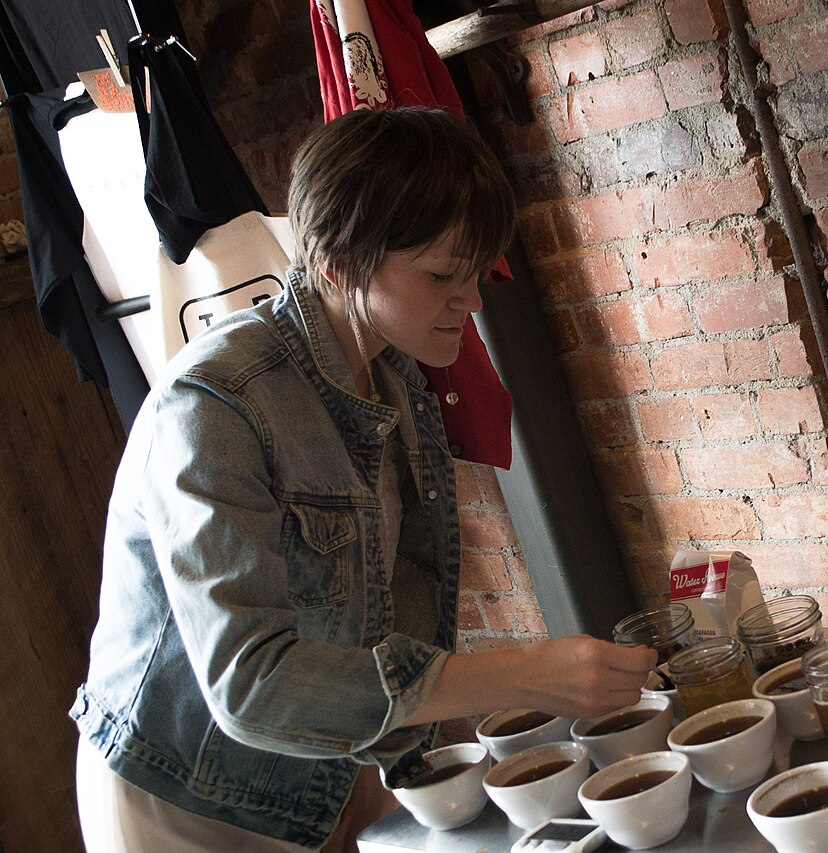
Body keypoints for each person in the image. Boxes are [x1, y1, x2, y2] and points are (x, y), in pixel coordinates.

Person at [71, 107, 656, 852]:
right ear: (339, 262)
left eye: (476, 271)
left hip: (317, 775)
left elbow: (376, 618)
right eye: (442, 274)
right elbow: (250, 685)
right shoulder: (214, 402)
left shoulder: (393, 375)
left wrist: (388, 768)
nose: (473, 299)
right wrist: (523, 674)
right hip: (182, 797)